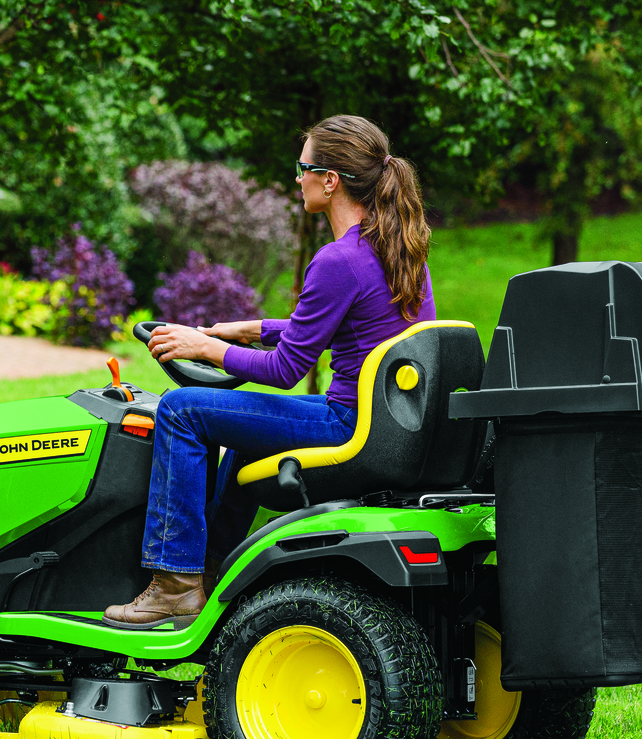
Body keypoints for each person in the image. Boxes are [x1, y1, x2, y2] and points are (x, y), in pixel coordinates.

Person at [102, 114, 436, 628]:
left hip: (348, 422)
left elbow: (285, 370)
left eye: (303, 167)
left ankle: (175, 583)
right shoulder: (395, 247)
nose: (295, 178)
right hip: (386, 422)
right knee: (240, 430)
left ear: (331, 180)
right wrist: (250, 328)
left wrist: (202, 347)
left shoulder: (337, 259)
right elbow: (340, 321)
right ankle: (213, 570)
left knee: (180, 410)